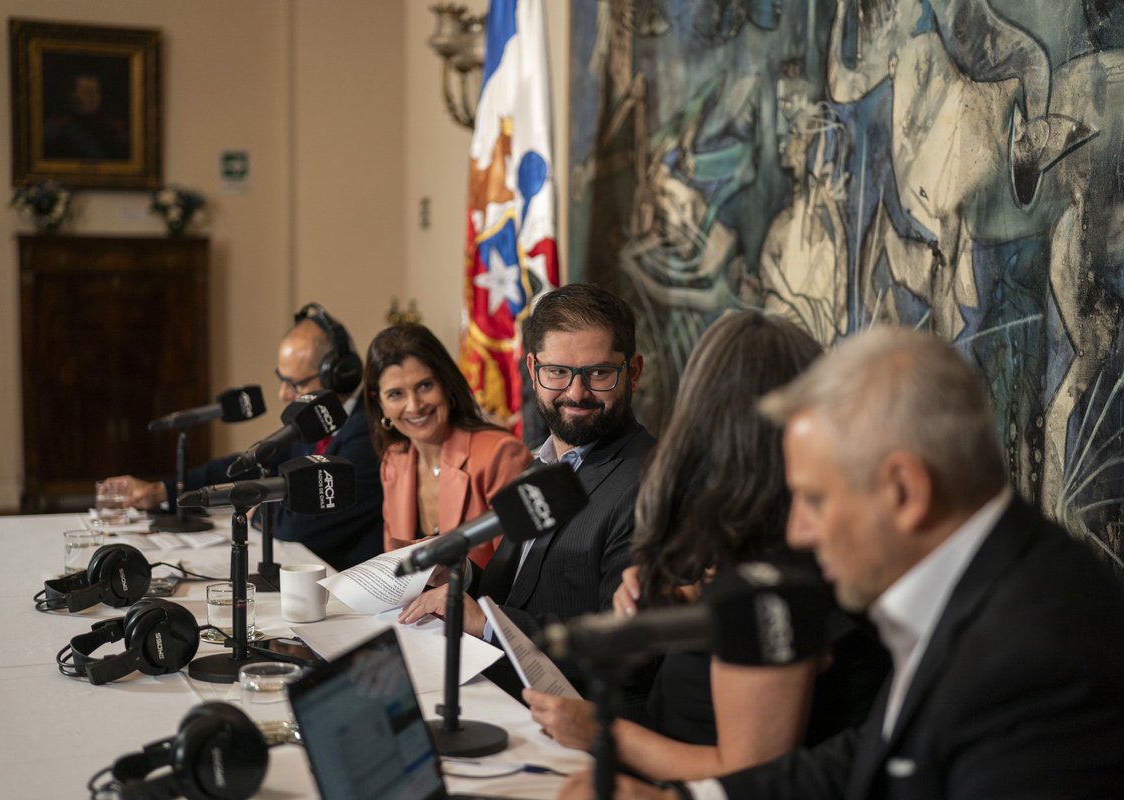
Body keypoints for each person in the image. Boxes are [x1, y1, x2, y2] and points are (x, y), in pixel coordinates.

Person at [562, 327, 1124, 799]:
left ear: (904, 491)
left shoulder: (1037, 656)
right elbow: (860, 761)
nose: (799, 531)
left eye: (813, 499)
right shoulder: (991, 577)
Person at [524, 311, 886, 782]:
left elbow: (750, 775)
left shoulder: (780, 572)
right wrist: (681, 602)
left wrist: (602, 730)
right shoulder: (754, 530)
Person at [399, 283, 656, 689]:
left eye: (598, 373)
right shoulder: (541, 466)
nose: (576, 393)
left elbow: (624, 648)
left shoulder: (650, 484)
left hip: (572, 720)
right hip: (493, 684)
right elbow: (521, 593)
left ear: (634, 372)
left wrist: (487, 623)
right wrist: (461, 578)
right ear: (534, 371)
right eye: (558, 372)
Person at [107, 303, 383, 571]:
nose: (284, 394)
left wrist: (260, 511)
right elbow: (254, 463)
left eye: (295, 383)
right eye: (281, 379)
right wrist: (162, 490)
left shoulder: (368, 432)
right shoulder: (319, 421)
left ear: (341, 375)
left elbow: (298, 524)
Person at [361, 322, 533, 568]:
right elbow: (396, 568)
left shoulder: (500, 455)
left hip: (484, 605)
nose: (414, 406)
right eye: (396, 394)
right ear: (380, 403)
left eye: (424, 386)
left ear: (446, 384)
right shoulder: (394, 462)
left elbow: (520, 574)